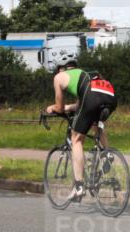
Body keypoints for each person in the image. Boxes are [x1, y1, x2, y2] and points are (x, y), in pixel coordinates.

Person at [44, 51, 117, 202]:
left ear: (61, 68)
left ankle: (79, 187)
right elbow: (80, 104)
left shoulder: (59, 77)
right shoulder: (84, 74)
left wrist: (52, 108)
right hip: (110, 95)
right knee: (96, 124)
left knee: (76, 139)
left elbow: (59, 107)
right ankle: (107, 153)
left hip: (92, 97)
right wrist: (68, 108)